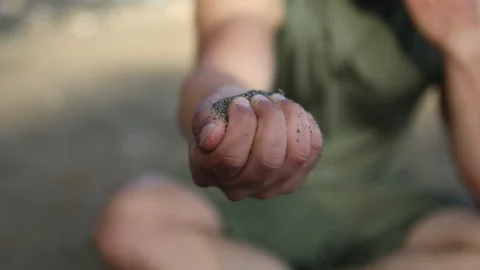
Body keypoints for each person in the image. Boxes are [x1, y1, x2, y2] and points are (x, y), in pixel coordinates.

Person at [96, 0, 480, 269]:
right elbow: (224, 65)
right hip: (246, 197)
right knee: (134, 220)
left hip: (375, 196)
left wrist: (465, 41)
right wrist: (227, 107)